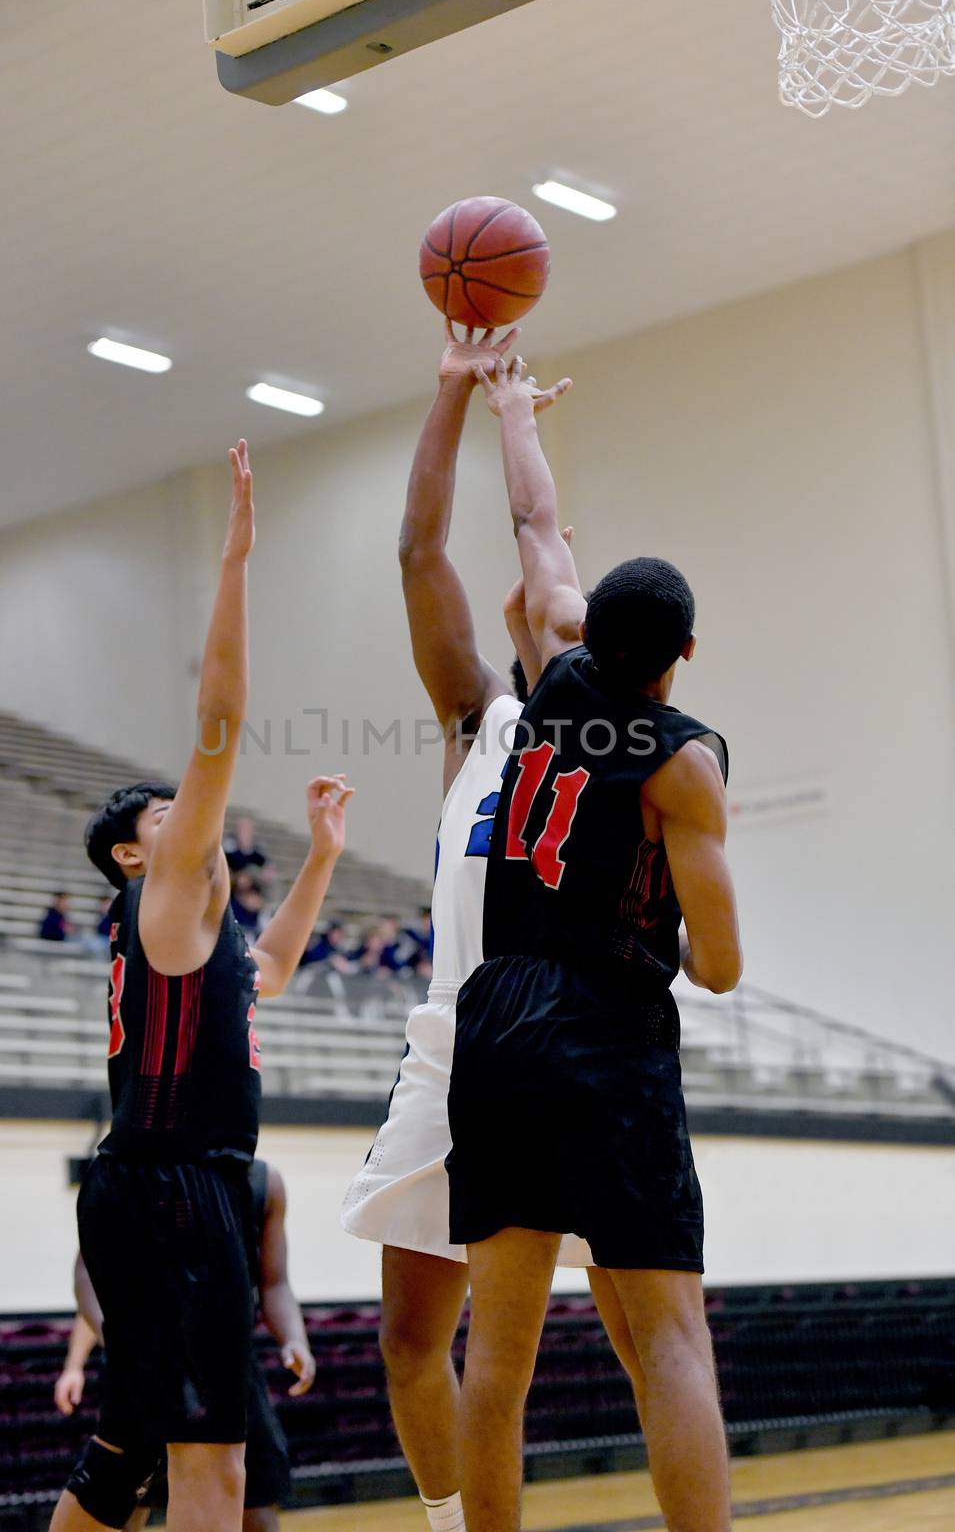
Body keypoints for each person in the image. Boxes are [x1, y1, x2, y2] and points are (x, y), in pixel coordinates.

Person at [446, 353, 742, 1532]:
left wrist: (510, 410)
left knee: (499, 1355)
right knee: (667, 1335)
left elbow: (534, 531)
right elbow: (716, 967)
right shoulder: (681, 758)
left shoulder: (553, 671)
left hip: (497, 1012)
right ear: (681, 650)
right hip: (605, 1026)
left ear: (591, 629)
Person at [48, 439, 352, 1532]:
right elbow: (219, 720)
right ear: (136, 855)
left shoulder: (198, 933)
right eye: (163, 815)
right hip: (169, 1187)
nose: (190, 815)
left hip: (180, 1187)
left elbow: (267, 966)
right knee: (202, 1456)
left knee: (142, 1449)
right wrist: (234, 558)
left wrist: (320, 854)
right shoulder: (167, 890)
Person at [341, 325, 606, 1532]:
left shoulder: (599, 735)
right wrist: (454, 395)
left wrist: (522, 428)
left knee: (568, 1334)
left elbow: (544, 546)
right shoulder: (475, 722)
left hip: (556, 1042)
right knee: (407, 1336)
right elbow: (416, 550)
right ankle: (452, 1525)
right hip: (447, 1044)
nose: (553, 624)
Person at [53, 1160, 314, 1532]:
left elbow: (274, 1283)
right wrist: (107, 1346)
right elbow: (88, 1273)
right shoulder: (132, 1167)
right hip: (144, 1368)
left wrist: (294, 1340)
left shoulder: (263, 1180)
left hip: (228, 1369)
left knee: (254, 1509)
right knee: (122, 1505)